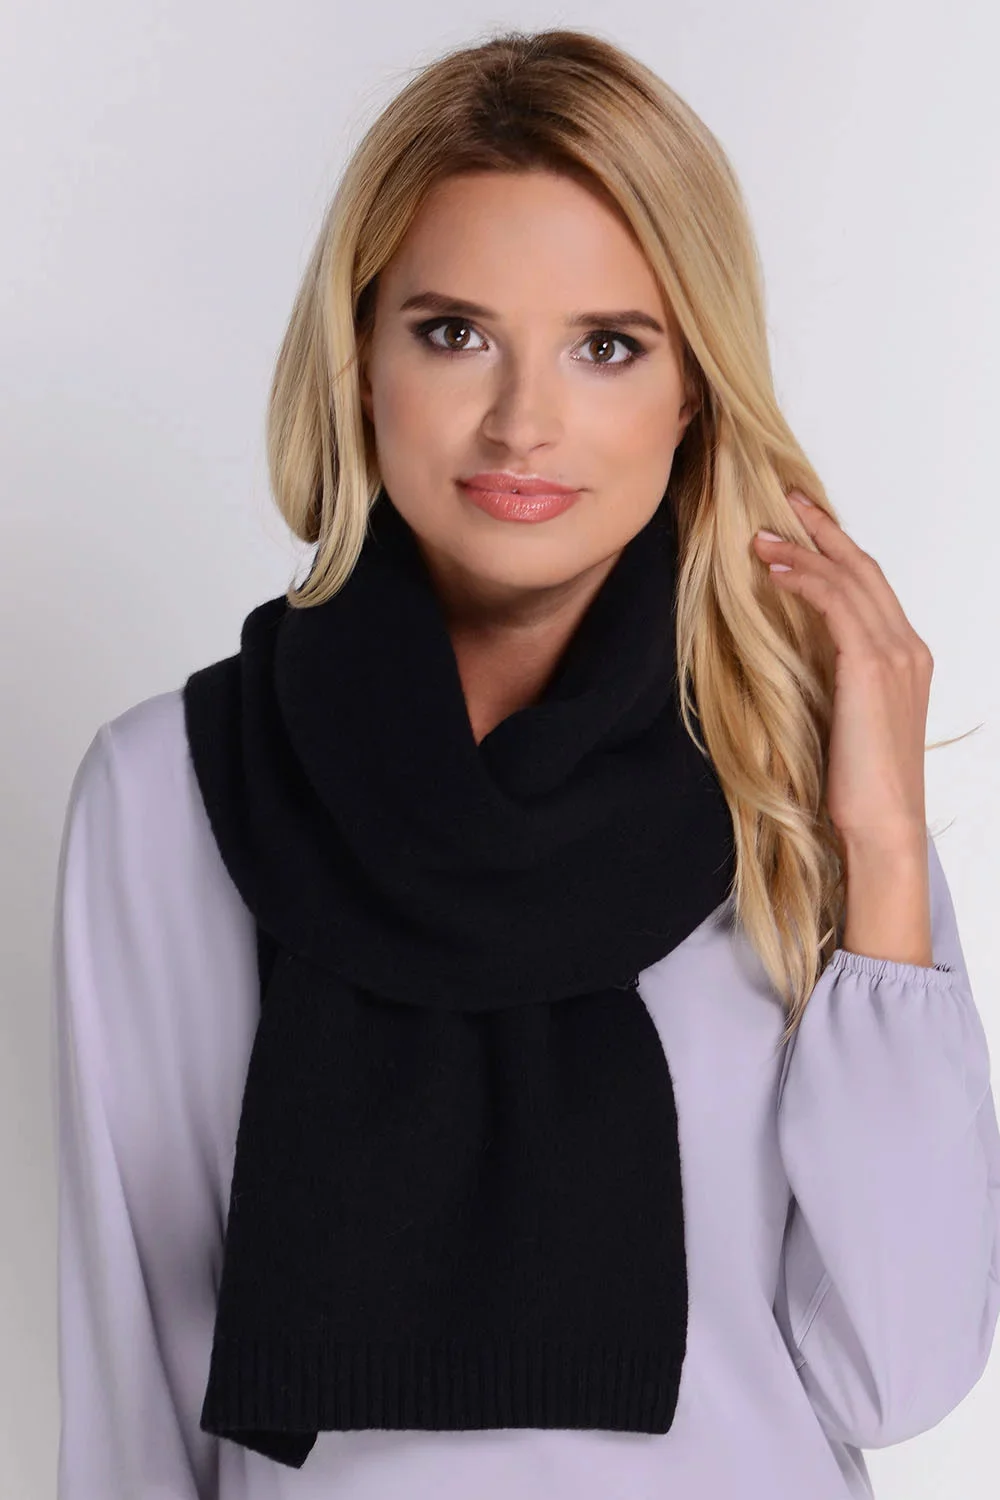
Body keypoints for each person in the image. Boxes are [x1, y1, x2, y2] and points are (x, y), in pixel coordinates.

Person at [52, 26, 1000, 1500]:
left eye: (607, 346)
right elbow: (135, 1394)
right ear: (360, 359)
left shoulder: (794, 791)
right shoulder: (169, 797)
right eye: (453, 333)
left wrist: (877, 839)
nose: (522, 423)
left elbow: (901, 1372)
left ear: (692, 394)